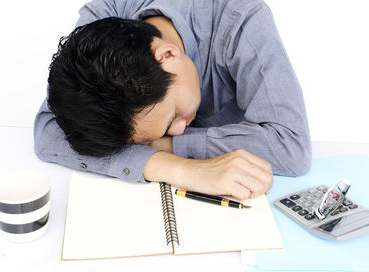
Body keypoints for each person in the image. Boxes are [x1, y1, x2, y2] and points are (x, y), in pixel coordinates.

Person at [34, 0, 311, 201]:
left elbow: (291, 145)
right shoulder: (99, 25)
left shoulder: (241, 18)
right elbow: (48, 132)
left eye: (173, 116)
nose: (180, 129)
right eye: (164, 131)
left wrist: (161, 144)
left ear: (167, 55)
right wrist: (181, 169)